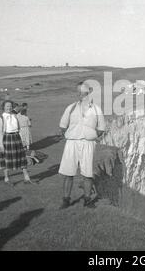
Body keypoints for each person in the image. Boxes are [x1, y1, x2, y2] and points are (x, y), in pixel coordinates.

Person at [58, 81, 106, 209]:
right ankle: (66, 200)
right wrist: (69, 136)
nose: (80, 94)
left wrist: (91, 135)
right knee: (68, 173)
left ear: (89, 92)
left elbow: (101, 128)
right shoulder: (71, 107)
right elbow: (62, 125)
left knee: (88, 174)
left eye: (83, 92)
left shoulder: (96, 109)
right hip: (72, 143)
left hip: (88, 143)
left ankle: (87, 199)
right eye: (78, 91)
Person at [0, 100, 35, 185]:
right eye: (7, 106)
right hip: (7, 139)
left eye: (10, 106)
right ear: (3, 107)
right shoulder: (1, 118)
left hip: (17, 138)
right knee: (7, 159)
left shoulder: (15, 116)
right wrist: (1, 145)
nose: (9, 107)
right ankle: (6, 179)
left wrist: (22, 139)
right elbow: (0, 133)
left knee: (22, 158)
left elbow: (18, 129)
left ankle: (27, 178)